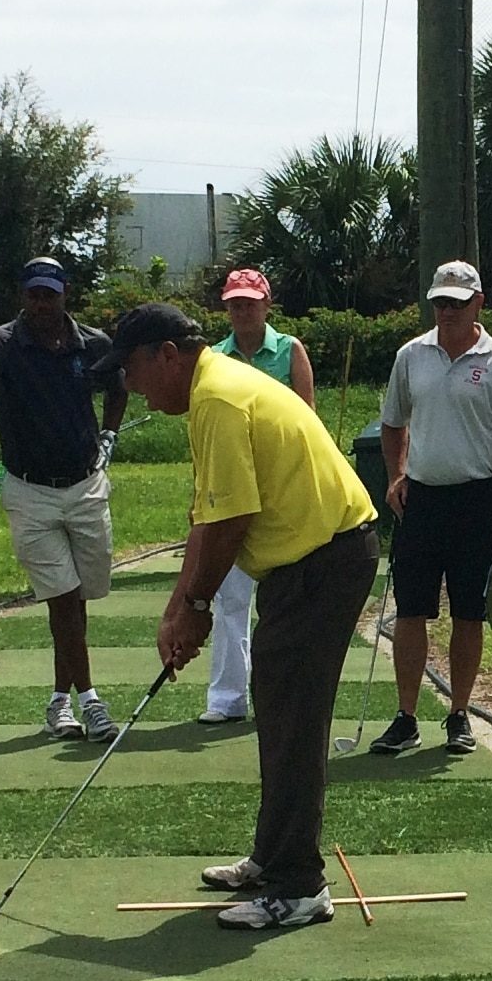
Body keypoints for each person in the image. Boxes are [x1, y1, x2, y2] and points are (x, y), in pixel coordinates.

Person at [120, 302, 379, 929]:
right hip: (309, 561)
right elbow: (206, 517)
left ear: (166, 355)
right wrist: (175, 608)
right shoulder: (211, 391)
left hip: (327, 558)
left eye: (131, 372)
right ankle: (274, 857)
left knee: (294, 714)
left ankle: (298, 887)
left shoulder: (219, 398)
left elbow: (234, 523)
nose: (131, 390)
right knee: (280, 704)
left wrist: (200, 607)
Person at [0, 256, 129, 742]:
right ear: (23, 296)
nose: (41, 304)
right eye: (33, 295)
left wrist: (109, 435)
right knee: (62, 599)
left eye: (50, 295)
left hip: (85, 486)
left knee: (81, 595)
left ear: (65, 296)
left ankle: (59, 701)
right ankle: (89, 701)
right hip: (28, 491)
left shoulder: (94, 344)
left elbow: (119, 388)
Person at [374, 260, 492, 756]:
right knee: (410, 611)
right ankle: (405, 717)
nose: (447, 311)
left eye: (457, 303)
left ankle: (459, 713)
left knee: (468, 613)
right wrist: (396, 474)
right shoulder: (411, 356)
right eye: (440, 302)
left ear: (478, 303)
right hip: (421, 498)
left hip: (478, 499)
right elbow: (393, 422)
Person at [199, 268, 321, 725]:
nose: (242, 309)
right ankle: (228, 699)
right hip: (231, 489)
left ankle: (285, 696)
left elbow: (306, 423)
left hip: (282, 491)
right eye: (234, 302)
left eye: (249, 301)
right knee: (230, 598)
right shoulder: (214, 357)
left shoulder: (290, 351)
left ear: (267, 304)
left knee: (287, 601)